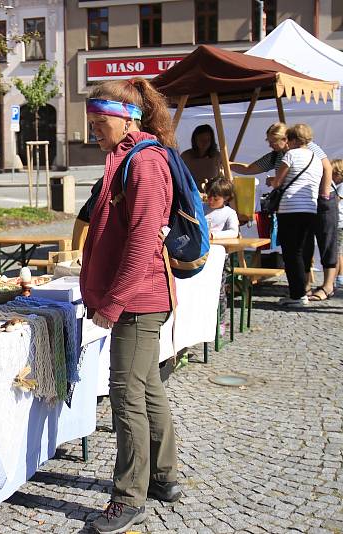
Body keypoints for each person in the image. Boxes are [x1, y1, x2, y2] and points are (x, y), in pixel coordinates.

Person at [79, 77, 181, 534]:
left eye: (100, 124)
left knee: (125, 394)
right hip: (136, 299)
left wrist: (113, 303)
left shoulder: (144, 164)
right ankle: (163, 477)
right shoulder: (126, 157)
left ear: (126, 119)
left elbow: (142, 241)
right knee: (147, 388)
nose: (94, 132)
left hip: (138, 301)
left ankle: (129, 497)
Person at [231, 122, 335, 297]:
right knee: (305, 244)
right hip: (302, 203)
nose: (270, 144)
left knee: (325, 240)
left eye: (273, 141)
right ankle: (305, 285)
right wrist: (228, 163)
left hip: (321, 198)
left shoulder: (309, 148)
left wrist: (323, 195)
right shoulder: (276, 156)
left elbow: (327, 167)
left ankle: (328, 285)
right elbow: (250, 168)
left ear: (286, 139)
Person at [271, 124, 324, 307]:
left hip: (290, 208)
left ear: (292, 140)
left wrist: (272, 180)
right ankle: (302, 291)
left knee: (291, 253)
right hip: (310, 208)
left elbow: (278, 182)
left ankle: (297, 295)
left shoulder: (291, 155)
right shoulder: (316, 158)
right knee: (302, 252)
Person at [180, 124, 223, 192]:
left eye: (208, 140)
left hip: (213, 196)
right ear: (195, 140)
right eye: (201, 140)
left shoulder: (217, 156)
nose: (205, 143)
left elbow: (229, 165)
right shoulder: (186, 156)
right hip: (191, 195)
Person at [330, 159, 343, 290]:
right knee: (338, 252)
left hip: (339, 223)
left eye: (333, 174)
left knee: (337, 252)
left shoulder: (341, 186)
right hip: (339, 222)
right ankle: (338, 277)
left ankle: (336, 278)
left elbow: (336, 200)